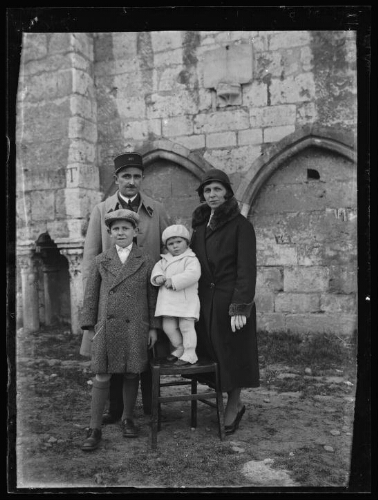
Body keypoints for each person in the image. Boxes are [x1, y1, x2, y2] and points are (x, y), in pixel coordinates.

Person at [81, 152, 171, 422]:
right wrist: (92, 300)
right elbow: (91, 257)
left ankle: (149, 407)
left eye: (136, 176)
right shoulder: (101, 210)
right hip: (112, 297)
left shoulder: (157, 209)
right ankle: (116, 409)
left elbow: (169, 248)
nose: (131, 182)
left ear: (142, 178)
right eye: (126, 176)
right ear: (116, 179)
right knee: (112, 352)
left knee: (145, 350)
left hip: (146, 293)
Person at [80, 209, 159, 451]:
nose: (121, 232)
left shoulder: (146, 261)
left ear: (136, 231)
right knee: (102, 373)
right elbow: (91, 295)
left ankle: (128, 417)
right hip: (106, 325)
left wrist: (153, 327)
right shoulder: (101, 260)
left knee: (131, 372)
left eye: (126, 228)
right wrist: (89, 327)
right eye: (116, 229)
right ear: (110, 233)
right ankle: (94, 427)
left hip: (136, 325)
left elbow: (152, 297)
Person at [190, 169, 260, 435]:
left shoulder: (241, 226)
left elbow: (246, 269)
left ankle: (234, 404)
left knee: (233, 354)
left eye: (217, 189)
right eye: (207, 191)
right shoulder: (198, 227)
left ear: (228, 192)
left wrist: (240, 306)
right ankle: (229, 399)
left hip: (230, 303)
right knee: (212, 354)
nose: (212, 195)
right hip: (205, 301)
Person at [151, 224, 201, 366]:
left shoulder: (191, 259)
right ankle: (179, 347)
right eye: (170, 244)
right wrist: (158, 277)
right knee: (168, 327)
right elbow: (156, 271)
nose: (175, 246)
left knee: (186, 326)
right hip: (168, 303)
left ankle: (190, 353)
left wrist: (174, 281)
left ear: (187, 242)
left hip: (185, 300)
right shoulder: (164, 260)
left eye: (179, 242)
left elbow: (193, 274)